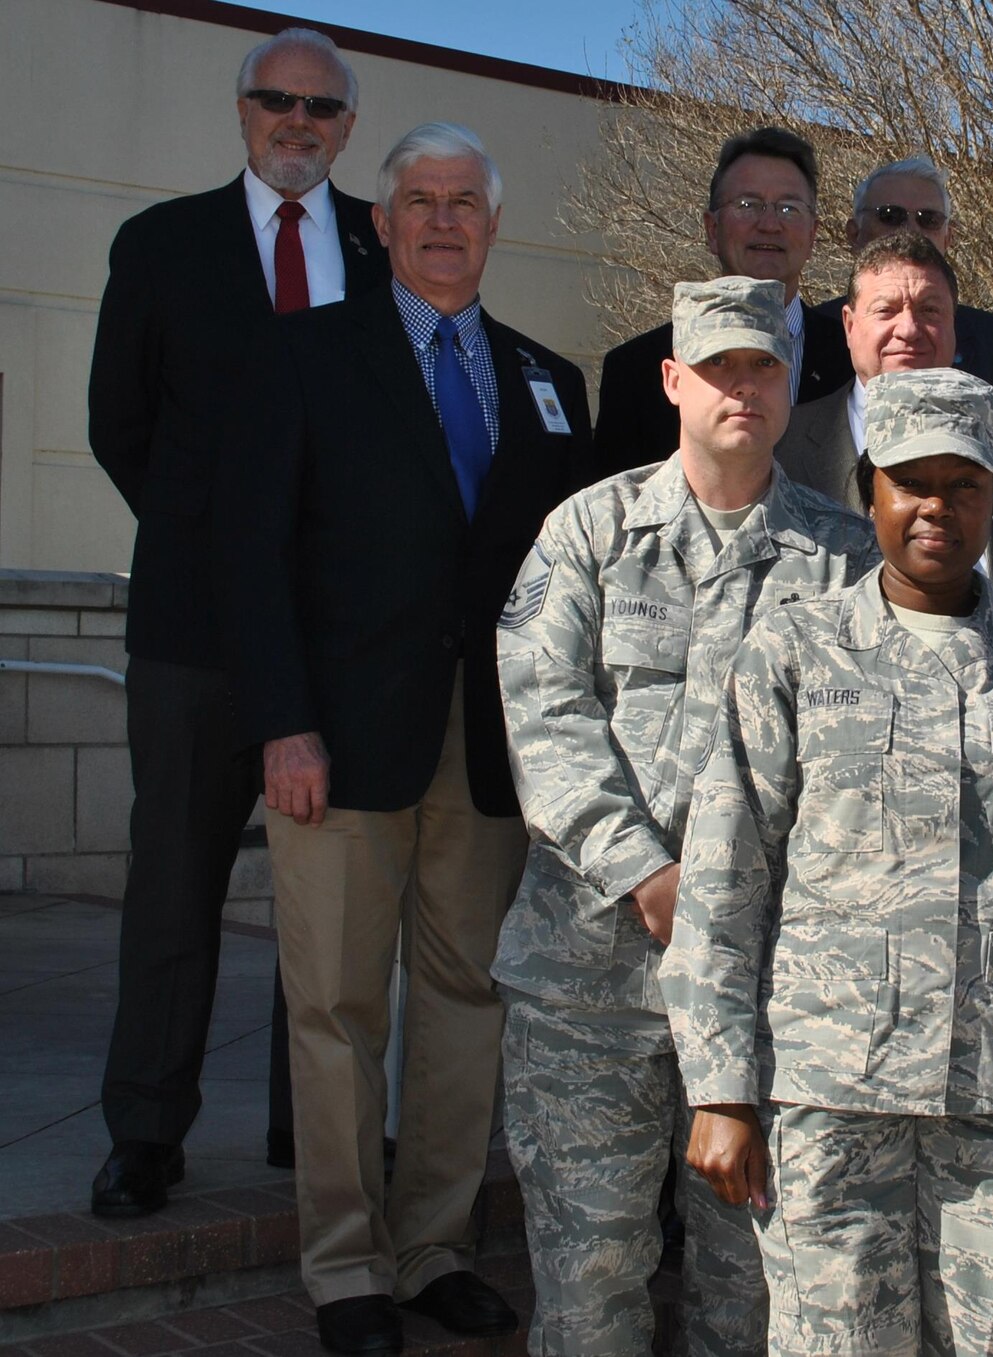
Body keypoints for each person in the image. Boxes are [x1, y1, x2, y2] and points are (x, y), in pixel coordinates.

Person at [671, 367, 993, 1357]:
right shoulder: (795, 650)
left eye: (963, 485)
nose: (936, 507)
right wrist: (719, 1087)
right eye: (911, 482)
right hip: (829, 1096)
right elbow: (726, 879)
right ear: (870, 489)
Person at [216, 122, 594, 1355]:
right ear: (380, 226)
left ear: (494, 224)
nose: (442, 220)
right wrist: (283, 722)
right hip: (336, 744)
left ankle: (432, 1249)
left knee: (465, 998)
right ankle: (343, 1269)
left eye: (465, 202)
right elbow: (253, 560)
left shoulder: (550, 379)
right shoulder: (302, 357)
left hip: (489, 752)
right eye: (419, 201)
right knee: (332, 1006)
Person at [492, 276, 877, 1357]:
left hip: (771, 1000)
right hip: (592, 986)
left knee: (750, 1297)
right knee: (589, 1289)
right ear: (672, 380)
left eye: (761, 365)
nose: (741, 388)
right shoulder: (591, 533)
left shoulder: (846, 560)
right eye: (717, 367)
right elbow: (544, 713)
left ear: (790, 377)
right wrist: (647, 872)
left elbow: (862, 763)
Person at [85, 25, 386, 1217]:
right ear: (243, 112)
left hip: (343, 639)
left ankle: (305, 1133)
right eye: (277, 101)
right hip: (191, 637)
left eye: (321, 108)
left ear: (348, 126)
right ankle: (145, 1131)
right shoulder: (160, 246)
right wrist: (224, 553)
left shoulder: (386, 243)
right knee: (173, 887)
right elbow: (122, 428)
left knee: (330, 909)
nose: (297, 122)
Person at [776, 231, 993, 595]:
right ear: (850, 326)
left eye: (929, 310)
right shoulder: (781, 448)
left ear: (953, 324)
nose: (909, 329)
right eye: (886, 310)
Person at [594, 127, 853, 476]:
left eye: (789, 208)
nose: (770, 224)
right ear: (712, 229)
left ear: (813, 233)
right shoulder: (636, 370)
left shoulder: (854, 361)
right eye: (748, 205)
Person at [817, 154, 993, 437]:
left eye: (929, 219)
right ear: (853, 233)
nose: (911, 230)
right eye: (890, 216)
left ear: (948, 238)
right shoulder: (813, 337)